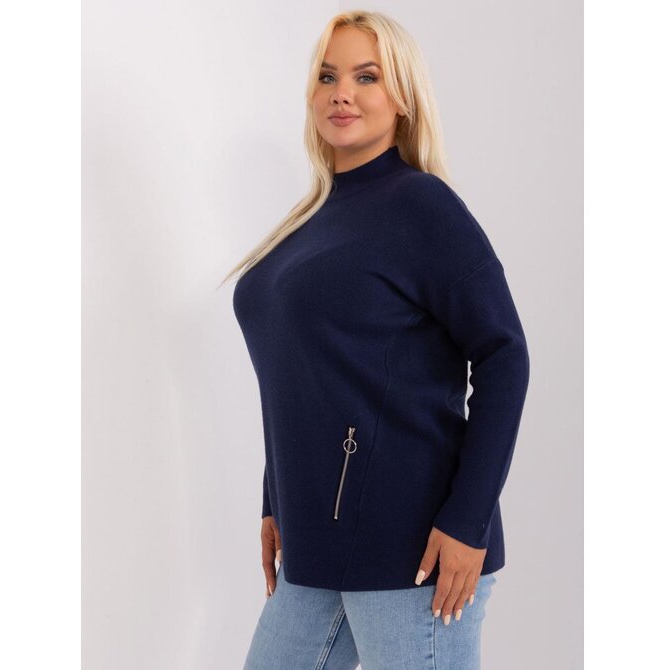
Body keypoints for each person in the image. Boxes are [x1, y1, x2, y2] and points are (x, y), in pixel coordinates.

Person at [224, 10, 530, 669]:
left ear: (403, 98)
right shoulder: (309, 221)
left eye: (367, 77)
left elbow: (504, 356)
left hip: (412, 549)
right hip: (314, 543)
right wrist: (276, 498)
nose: (342, 93)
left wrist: (468, 520)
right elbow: (304, 375)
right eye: (327, 76)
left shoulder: (423, 206)